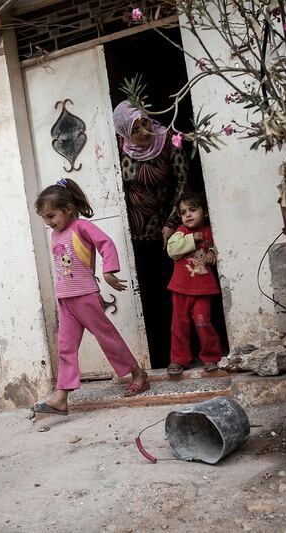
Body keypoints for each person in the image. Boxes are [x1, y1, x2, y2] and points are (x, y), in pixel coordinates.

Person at [31, 178, 150, 415]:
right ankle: (62, 398)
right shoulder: (56, 235)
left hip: (85, 295)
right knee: (65, 347)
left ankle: (137, 373)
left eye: (52, 216)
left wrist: (108, 271)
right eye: (45, 218)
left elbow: (105, 243)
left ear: (68, 209)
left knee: (107, 337)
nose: (49, 222)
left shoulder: (82, 227)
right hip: (65, 299)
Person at [112, 100, 189, 368]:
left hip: (166, 233)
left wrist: (172, 221)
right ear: (124, 132)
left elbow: (183, 181)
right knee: (146, 299)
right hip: (133, 236)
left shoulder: (167, 140)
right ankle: (154, 357)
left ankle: (181, 355)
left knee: (174, 296)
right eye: (136, 129)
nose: (145, 132)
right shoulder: (118, 149)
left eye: (146, 122)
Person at [165, 192, 223, 375]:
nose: (188, 215)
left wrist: (212, 251)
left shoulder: (211, 231)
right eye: (183, 212)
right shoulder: (180, 233)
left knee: (203, 321)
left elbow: (215, 244)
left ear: (205, 212)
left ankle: (211, 357)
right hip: (181, 288)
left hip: (203, 288)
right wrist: (192, 239)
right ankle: (179, 360)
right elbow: (172, 250)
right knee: (179, 324)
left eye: (193, 210)